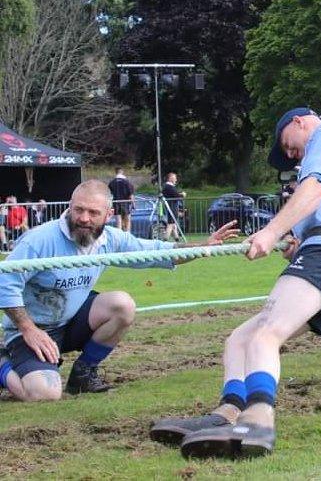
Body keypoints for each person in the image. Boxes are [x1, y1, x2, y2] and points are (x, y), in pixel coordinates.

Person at [152, 107, 321, 459]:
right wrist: (296, 239)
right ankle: (227, 414)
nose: (291, 156)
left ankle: (258, 420)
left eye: (288, 146)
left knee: (264, 334)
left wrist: (272, 231)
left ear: (299, 122)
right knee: (239, 339)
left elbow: (316, 189)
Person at [0, 180, 239, 402]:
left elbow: (156, 252)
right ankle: (2, 363)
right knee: (44, 394)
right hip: (30, 329)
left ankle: (84, 374)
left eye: (93, 213)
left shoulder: (110, 239)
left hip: (70, 321)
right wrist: (27, 328)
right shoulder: (39, 239)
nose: (84, 218)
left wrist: (201, 247)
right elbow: (5, 280)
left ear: (109, 214)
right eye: (79, 210)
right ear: (69, 208)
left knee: (122, 305)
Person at [108, 168, 135, 233]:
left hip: (116, 203)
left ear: (116, 172)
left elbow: (109, 194)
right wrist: (133, 204)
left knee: (118, 221)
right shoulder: (127, 182)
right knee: (127, 220)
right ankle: (127, 234)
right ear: (122, 172)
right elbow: (131, 194)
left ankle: (119, 236)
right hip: (125, 203)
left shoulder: (112, 182)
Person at [161, 173, 186, 241]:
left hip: (171, 206)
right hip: (171, 206)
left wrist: (179, 194)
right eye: (174, 178)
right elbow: (176, 196)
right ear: (170, 178)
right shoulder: (169, 186)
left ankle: (177, 238)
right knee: (171, 223)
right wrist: (182, 195)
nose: (176, 179)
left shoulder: (167, 186)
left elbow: (174, 194)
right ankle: (165, 239)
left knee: (174, 223)